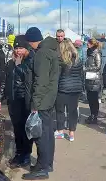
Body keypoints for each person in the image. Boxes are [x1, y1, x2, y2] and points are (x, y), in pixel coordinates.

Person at [22, 27, 60, 180]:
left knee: (41, 135)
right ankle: (46, 164)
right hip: (49, 99)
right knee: (48, 133)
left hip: (42, 101)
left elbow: (41, 81)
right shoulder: (50, 50)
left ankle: (42, 168)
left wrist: (35, 103)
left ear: (31, 41)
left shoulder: (42, 54)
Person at [0, 35, 34, 168]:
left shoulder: (29, 62)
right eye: (16, 48)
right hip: (13, 101)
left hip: (24, 100)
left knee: (25, 130)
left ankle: (26, 155)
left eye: (21, 48)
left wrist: (19, 65)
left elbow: (28, 80)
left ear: (26, 49)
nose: (18, 51)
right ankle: (19, 154)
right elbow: (4, 82)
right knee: (17, 129)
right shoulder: (10, 64)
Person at [54, 39, 84, 142]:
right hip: (75, 88)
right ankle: (71, 134)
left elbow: (57, 76)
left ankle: (60, 132)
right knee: (72, 111)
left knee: (60, 111)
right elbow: (81, 75)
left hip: (62, 88)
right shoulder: (78, 60)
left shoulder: (61, 60)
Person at [85, 38, 103, 124]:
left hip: (95, 78)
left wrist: (87, 69)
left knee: (94, 98)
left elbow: (98, 66)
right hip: (88, 77)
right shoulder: (88, 52)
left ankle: (94, 116)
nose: (87, 44)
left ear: (92, 44)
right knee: (90, 98)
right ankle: (92, 114)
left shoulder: (97, 53)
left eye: (88, 43)